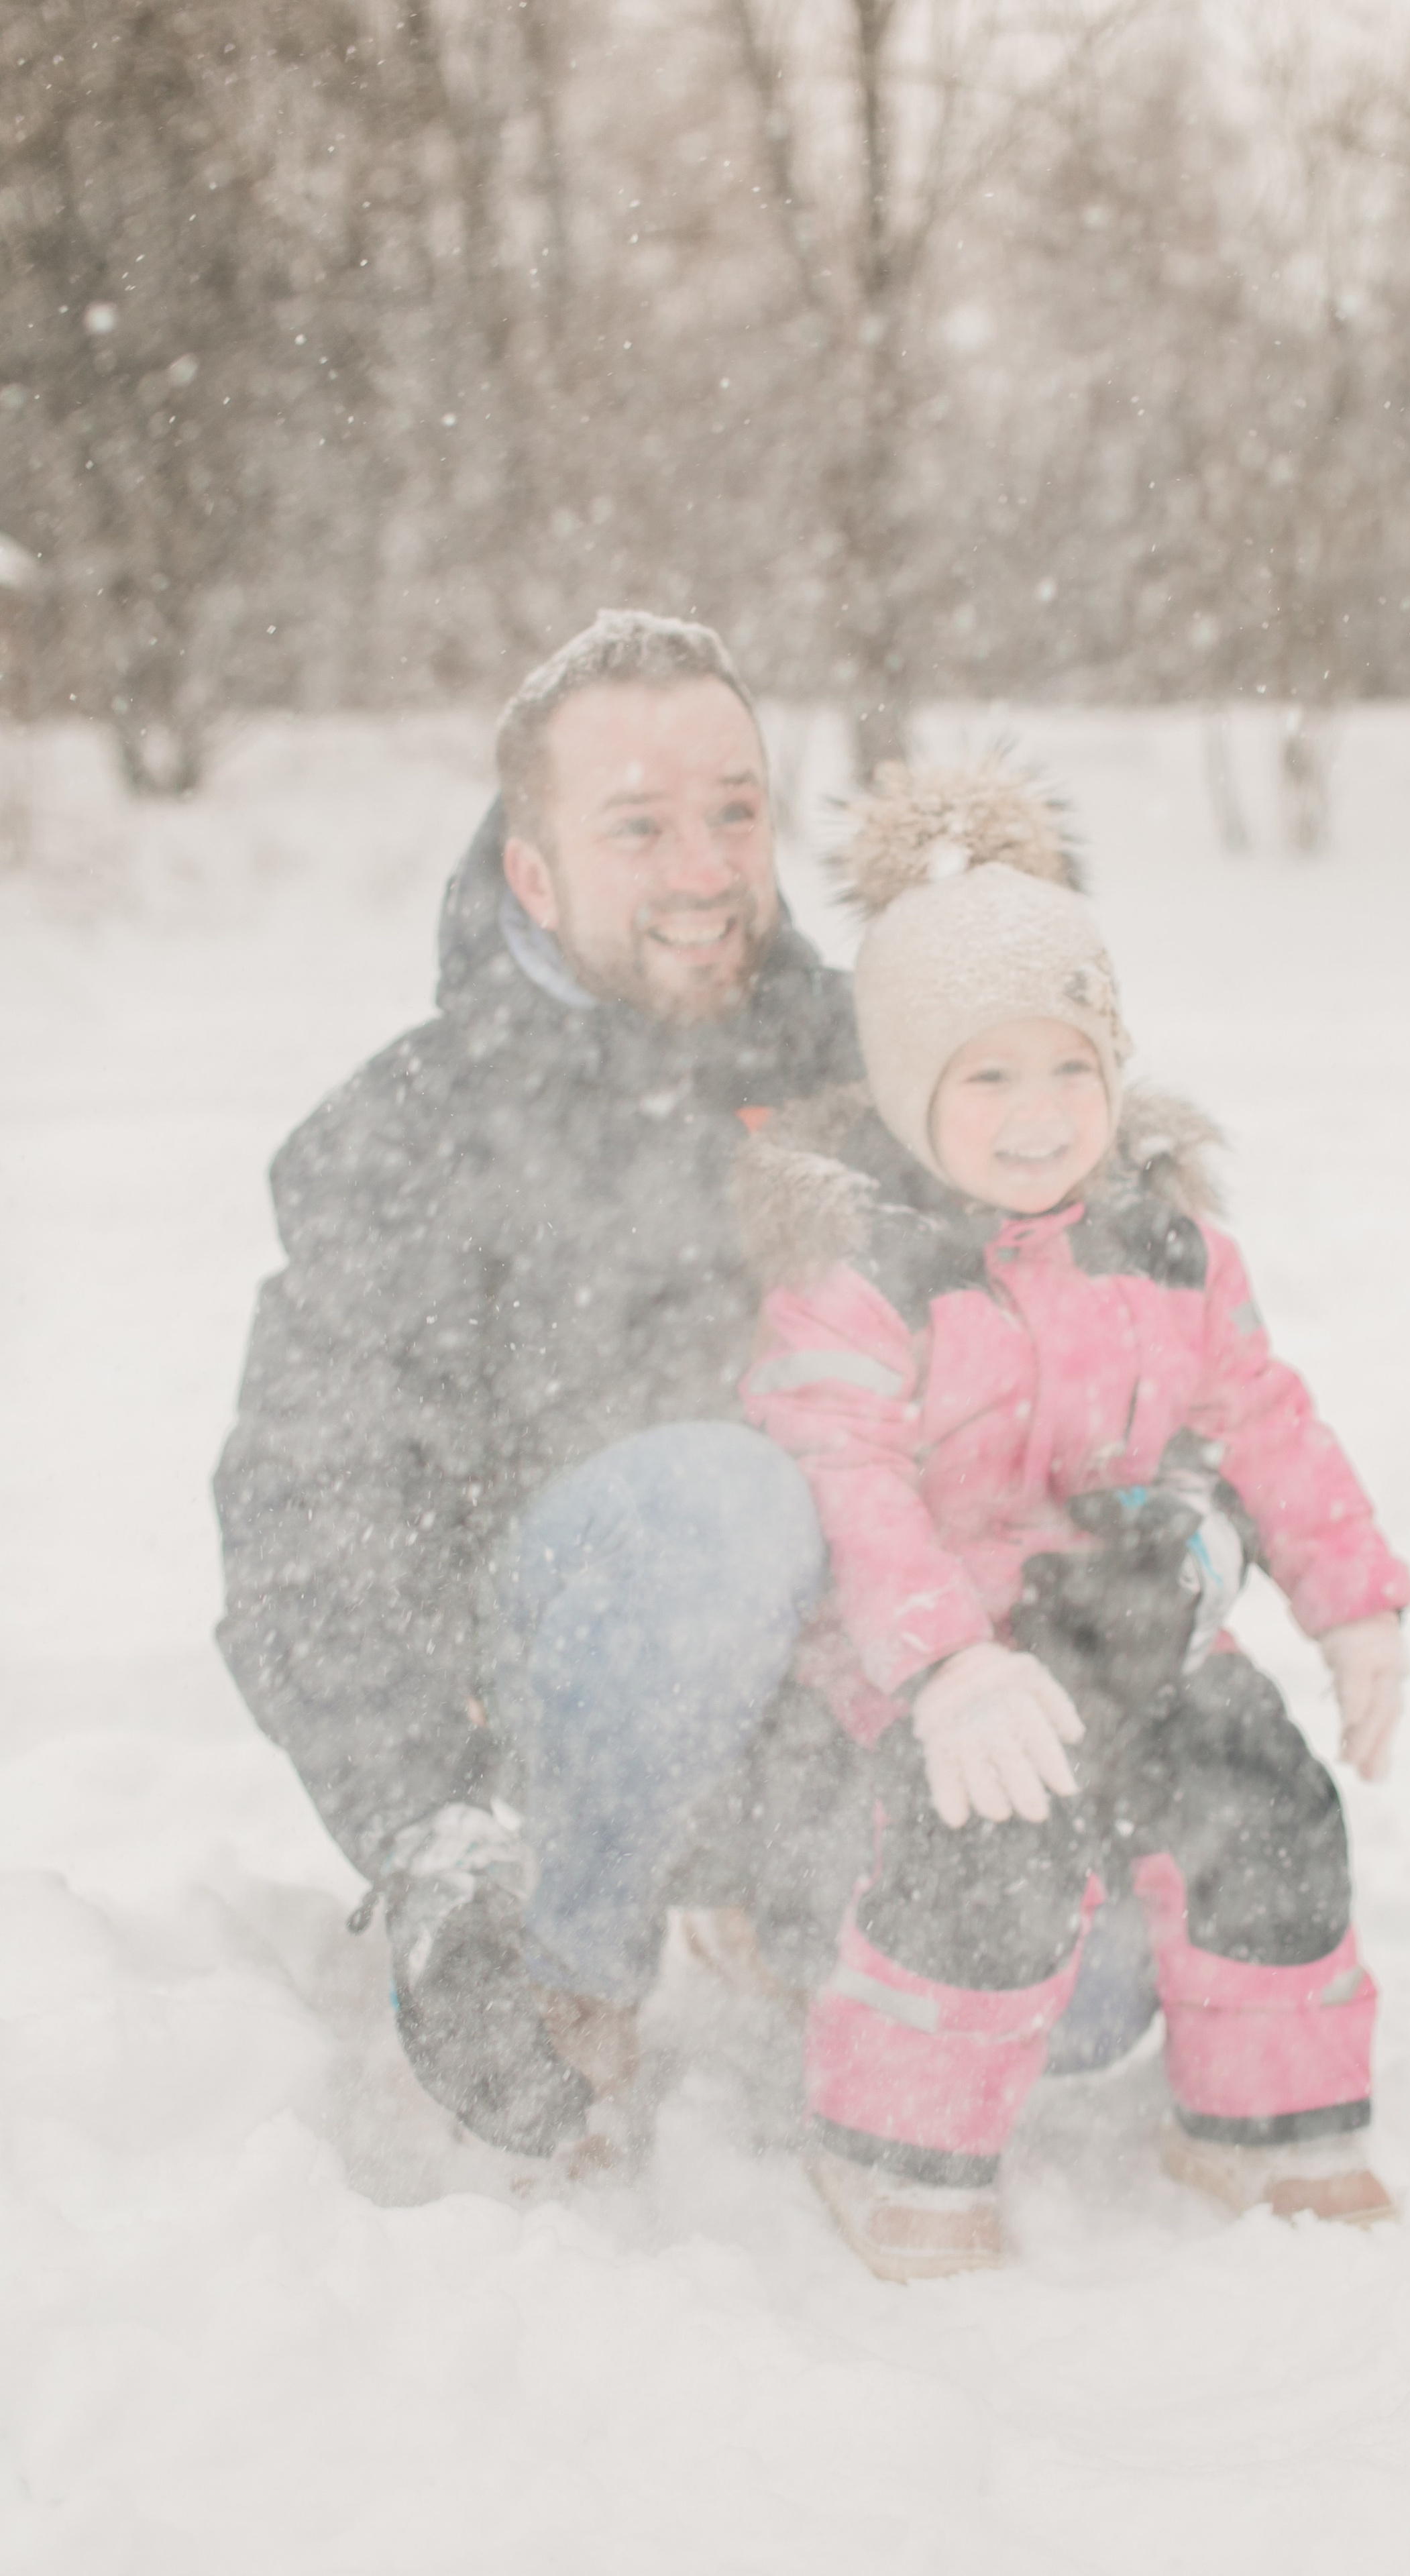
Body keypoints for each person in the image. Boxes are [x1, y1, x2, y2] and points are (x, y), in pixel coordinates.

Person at [737, 761, 1410, 2280]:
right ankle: (896, 2150)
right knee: (996, 1827)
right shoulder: (862, 1269)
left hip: (1125, 1613)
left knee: (1262, 1787)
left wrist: (1352, 1602)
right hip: (936, 1652)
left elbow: (1262, 1421)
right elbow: (842, 1471)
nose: (1038, 1116)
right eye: (985, 1078)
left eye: (1068, 1070)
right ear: (914, 1089)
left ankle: (1268, 2123)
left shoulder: (1164, 1250)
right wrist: (940, 1662)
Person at [215, 610, 859, 2159]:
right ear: (533, 870)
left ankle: (793, 1898)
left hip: (829, 1672)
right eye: (637, 827)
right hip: (537, 1701)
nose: (705, 869)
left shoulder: (860, 1075)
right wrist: (430, 1829)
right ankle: (570, 1947)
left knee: (1093, 1987)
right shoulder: (411, 1134)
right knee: (719, 1500)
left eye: (733, 811)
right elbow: (310, 1522)